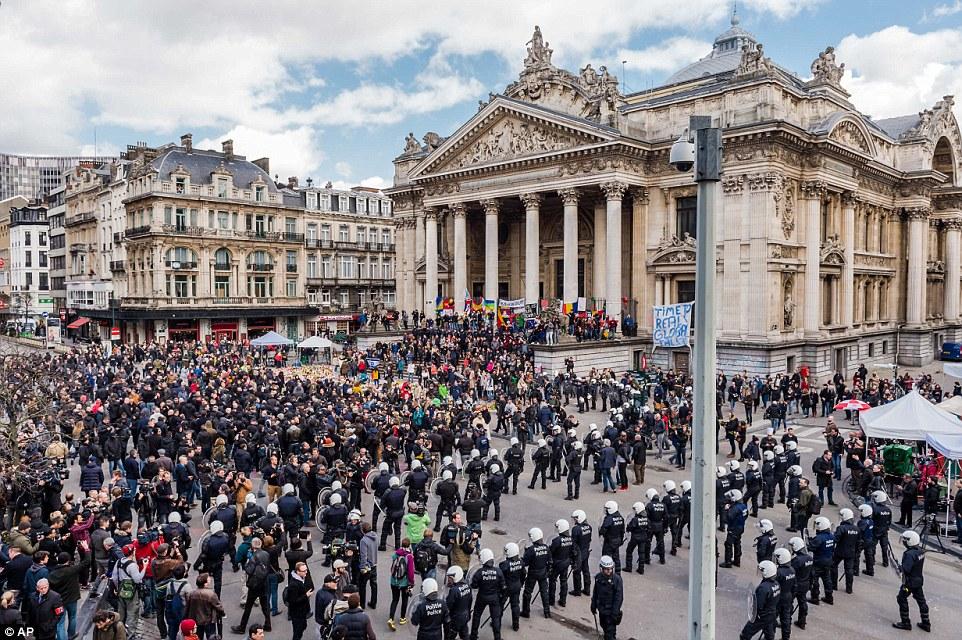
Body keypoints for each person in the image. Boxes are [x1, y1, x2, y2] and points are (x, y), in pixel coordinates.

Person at [231, 538, 273, 633]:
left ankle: (242, 627)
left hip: (254, 585)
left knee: (248, 607)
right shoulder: (266, 554)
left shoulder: (253, 557)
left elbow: (249, 570)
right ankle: (268, 624)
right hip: (264, 583)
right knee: (265, 606)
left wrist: (247, 562)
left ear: (252, 546)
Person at [892, 530, 930, 632]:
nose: (903, 542)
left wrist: (899, 566)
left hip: (909, 582)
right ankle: (926, 622)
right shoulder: (921, 551)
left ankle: (905, 622)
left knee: (901, 598)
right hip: (918, 580)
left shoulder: (909, 554)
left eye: (905, 540)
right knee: (921, 601)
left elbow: (906, 569)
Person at [469, 548, 504, 640]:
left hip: (482, 597)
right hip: (494, 597)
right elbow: (502, 585)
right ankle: (497, 637)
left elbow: (474, 585)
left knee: (477, 616)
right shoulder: (498, 571)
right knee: (496, 618)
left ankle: (473, 635)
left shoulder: (479, 572)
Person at [738, 561, 779, 640]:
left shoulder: (763, 588)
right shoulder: (776, 584)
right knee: (769, 635)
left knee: (745, 635)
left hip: (762, 616)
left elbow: (758, 605)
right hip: (772, 613)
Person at [590, 556, 623, 640]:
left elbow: (618, 598)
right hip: (602, 610)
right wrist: (593, 605)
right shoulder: (598, 578)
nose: (609, 571)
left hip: (611, 613)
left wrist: (614, 614)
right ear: (602, 568)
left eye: (611, 569)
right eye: (607, 569)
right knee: (604, 627)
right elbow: (595, 592)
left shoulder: (617, 580)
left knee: (610, 634)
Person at [520, 527, 550, 619]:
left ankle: (526, 612)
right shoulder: (546, 548)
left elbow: (525, 563)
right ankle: (547, 611)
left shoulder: (531, 550)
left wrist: (524, 554)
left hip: (533, 573)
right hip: (543, 572)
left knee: (527, 592)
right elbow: (550, 561)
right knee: (544, 592)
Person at [185, 573, 225, 640]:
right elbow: (218, 606)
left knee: (198, 636)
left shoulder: (192, 593)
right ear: (205, 583)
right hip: (208, 620)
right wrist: (222, 613)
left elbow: (188, 606)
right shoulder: (211, 594)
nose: (210, 580)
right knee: (211, 636)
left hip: (196, 619)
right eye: (208, 579)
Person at [387, 538, 415, 630]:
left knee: (394, 600)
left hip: (393, 580)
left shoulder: (396, 553)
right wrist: (411, 583)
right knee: (404, 599)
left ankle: (391, 618)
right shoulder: (409, 556)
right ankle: (402, 618)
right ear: (409, 545)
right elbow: (410, 572)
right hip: (404, 582)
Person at [807, 516, 835, 606]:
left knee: (814, 580)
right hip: (828, 560)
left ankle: (815, 598)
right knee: (827, 579)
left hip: (818, 562)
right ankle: (829, 597)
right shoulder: (831, 536)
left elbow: (811, 547)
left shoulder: (819, 538)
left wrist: (808, 541)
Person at [498, 543, 525, 632]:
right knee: (515, 605)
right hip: (516, 586)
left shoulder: (504, 564)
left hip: (506, 588)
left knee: (500, 605)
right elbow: (523, 574)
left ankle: (497, 622)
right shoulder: (521, 562)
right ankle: (516, 625)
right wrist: (521, 584)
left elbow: (500, 577)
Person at [833, 508, 859, 594]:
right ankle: (849, 588)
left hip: (839, 551)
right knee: (849, 570)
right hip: (851, 552)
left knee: (833, 566)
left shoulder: (841, 528)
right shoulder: (856, 529)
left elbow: (835, 539)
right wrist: (856, 552)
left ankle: (834, 585)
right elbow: (859, 542)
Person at [287, 562, 314, 640]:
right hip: (297, 613)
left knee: (303, 626)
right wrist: (306, 596)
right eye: (304, 571)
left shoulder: (301, 578)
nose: (306, 572)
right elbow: (293, 601)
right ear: (297, 571)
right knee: (297, 632)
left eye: (306, 570)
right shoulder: (294, 585)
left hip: (302, 612)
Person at [444, 565, 471, 640]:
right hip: (465, 615)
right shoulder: (467, 586)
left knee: (450, 636)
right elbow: (470, 601)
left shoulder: (454, 590)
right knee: (465, 635)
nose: (448, 580)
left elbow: (448, 605)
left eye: (450, 578)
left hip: (455, 618)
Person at [720, 490, 747, 568]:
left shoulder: (735, 508)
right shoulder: (743, 506)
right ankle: (737, 561)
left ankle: (728, 562)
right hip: (740, 528)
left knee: (728, 544)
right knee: (737, 543)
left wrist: (726, 510)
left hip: (733, 529)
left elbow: (727, 519)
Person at [599, 501, 626, 572]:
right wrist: (621, 540)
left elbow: (603, 530)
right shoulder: (620, 517)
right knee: (616, 558)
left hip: (609, 541)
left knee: (605, 558)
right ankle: (618, 573)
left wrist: (601, 532)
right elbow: (622, 531)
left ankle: (604, 573)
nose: (605, 510)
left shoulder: (609, 519)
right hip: (617, 540)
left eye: (607, 509)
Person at [624, 501, 650, 574]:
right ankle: (641, 569)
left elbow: (630, 527)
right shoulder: (647, 519)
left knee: (629, 551)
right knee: (641, 553)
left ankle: (629, 567)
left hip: (635, 538)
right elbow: (649, 528)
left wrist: (628, 528)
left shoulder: (635, 519)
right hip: (643, 537)